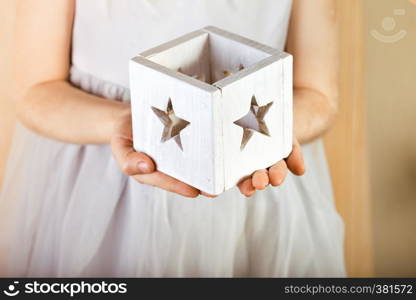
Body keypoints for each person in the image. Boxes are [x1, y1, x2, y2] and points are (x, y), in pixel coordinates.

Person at [0, 0, 345, 276]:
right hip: (95, 185)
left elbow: (317, 94)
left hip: (255, 189)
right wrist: (126, 122)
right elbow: (36, 88)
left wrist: (272, 134)